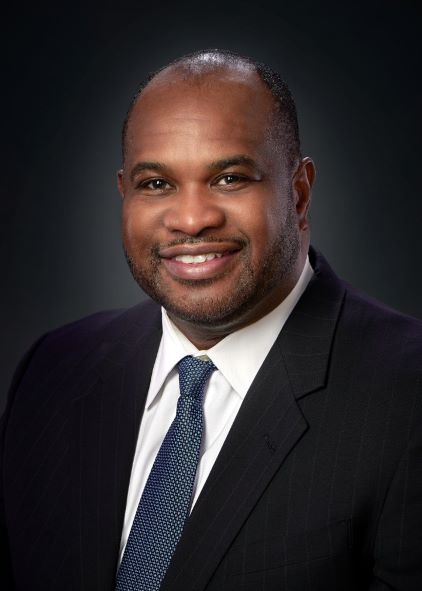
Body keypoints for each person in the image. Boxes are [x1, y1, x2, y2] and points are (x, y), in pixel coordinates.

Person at [1, 49, 421, 591]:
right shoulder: (53, 369)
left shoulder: (407, 397)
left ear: (299, 193)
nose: (192, 219)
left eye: (229, 178)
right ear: (124, 193)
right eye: (157, 184)